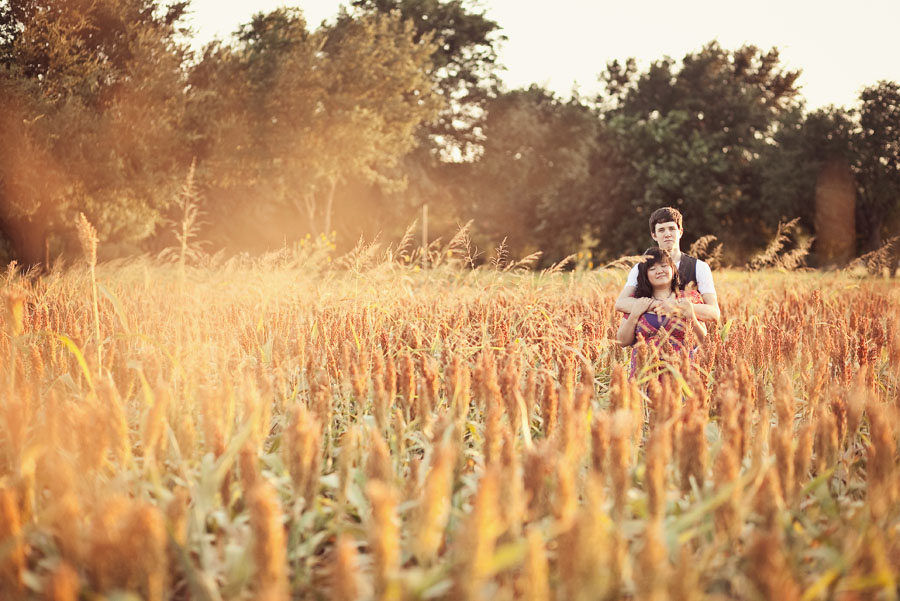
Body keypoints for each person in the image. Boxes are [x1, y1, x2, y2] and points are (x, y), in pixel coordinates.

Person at [615, 207, 720, 322]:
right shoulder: (640, 267)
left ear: (680, 232)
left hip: (688, 336)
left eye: (671, 229)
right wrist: (659, 305)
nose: (667, 234)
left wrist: (675, 306)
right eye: (661, 230)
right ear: (654, 235)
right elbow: (621, 303)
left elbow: (714, 313)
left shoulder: (699, 267)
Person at [616, 248, 708, 376]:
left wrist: (690, 314)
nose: (659, 271)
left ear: (672, 269)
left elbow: (704, 341)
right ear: (645, 275)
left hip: (682, 375)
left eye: (664, 266)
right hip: (644, 375)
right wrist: (635, 314)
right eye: (652, 269)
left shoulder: (689, 298)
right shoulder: (637, 301)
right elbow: (622, 341)